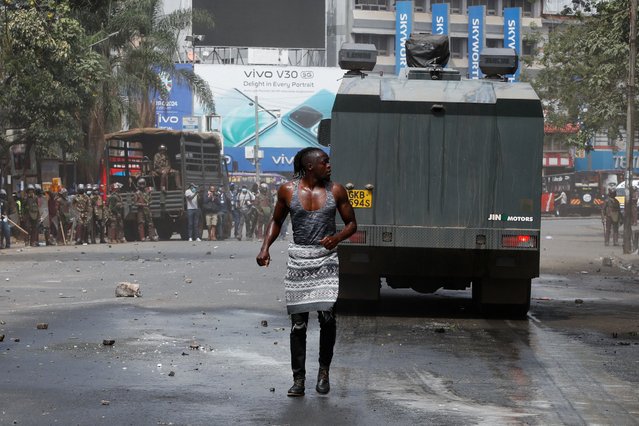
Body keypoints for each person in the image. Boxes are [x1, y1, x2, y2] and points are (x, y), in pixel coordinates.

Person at [256, 147, 357, 397]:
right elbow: (277, 221)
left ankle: (324, 372)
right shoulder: (287, 191)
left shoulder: (336, 191)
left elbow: (352, 224)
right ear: (311, 166)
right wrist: (265, 247)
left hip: (325, 260)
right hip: (299, 259)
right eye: (325, 161)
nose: (329, 165)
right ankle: (298, 380)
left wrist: (337, 238)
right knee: (298, 325)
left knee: (327, 319)